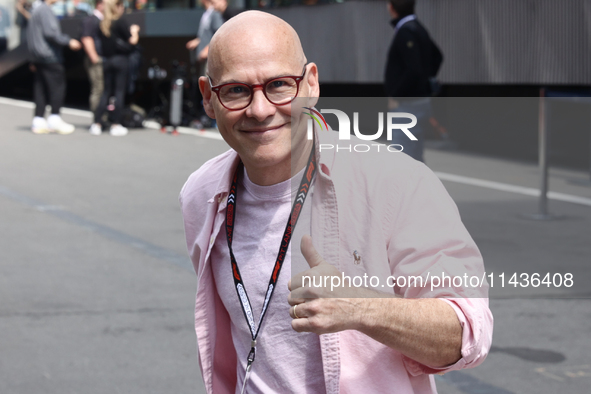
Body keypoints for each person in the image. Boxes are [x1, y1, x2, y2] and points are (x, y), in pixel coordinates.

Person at [180, 11, 492, 393]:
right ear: (208, 98)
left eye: (279, 85)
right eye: (236, 91)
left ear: (311, 83)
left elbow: (467, 333)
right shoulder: (202, 196)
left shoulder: (395, 181)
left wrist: (361, 307)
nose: (259, 110)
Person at [384, 0, 443, 162]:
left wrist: (395, 94)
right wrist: (426, 80)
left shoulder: (406, 31)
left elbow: (413, 69)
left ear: (391, 7)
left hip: (407, 103)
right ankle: (418, 186)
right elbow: (437, 56)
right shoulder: (418, 28)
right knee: (415, 155)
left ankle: (401, 187)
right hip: (421, 100)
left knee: (401, 156)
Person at [27, 0, 82, 134]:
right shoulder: (45, 10)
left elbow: (31, 36)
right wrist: (69, 41)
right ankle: (54, 119)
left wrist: (32, 59)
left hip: (38, 57)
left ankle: (38, 120)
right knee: (57, 88)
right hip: (50, 56)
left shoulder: (36, 10)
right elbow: (51, 33)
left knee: (40, 89)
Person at [89, 0, 139, 136]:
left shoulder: (103, 23)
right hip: (121, 61)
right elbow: (132, 41)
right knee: (119, 93)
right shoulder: (120, 21)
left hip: (107, 61)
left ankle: (97, 123)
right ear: (116, 7)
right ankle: (115, 124)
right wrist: (135, 32)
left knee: (105, 92)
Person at [81, 0, 104, 112]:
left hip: (101, 59)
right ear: (99, 4)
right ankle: (97, 118)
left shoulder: (102, 20)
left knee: (102, 88)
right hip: (95, 60)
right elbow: (86, 38)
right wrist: (94, 57)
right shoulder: (91, 19)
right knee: (98, 89)